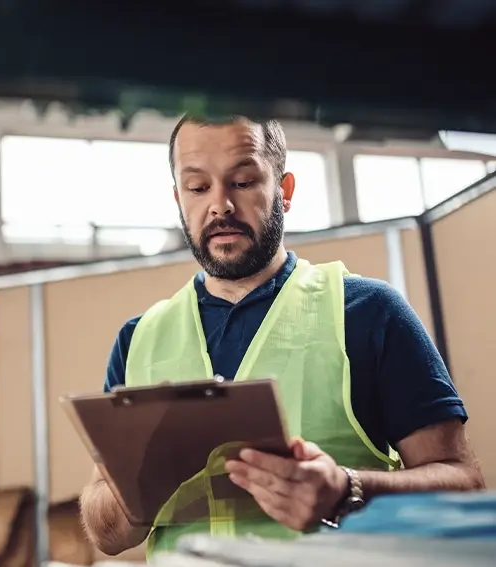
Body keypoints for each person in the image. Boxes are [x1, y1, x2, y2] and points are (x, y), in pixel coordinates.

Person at [79, 115, 484, 559]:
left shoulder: (368, 313)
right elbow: (107, 535)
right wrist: (140, 487)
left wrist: (349, 490)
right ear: (179, 199)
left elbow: (463, 485)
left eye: (244, 180)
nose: (220, 206)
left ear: (284, 191)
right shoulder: (138, 340)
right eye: (197, 188)